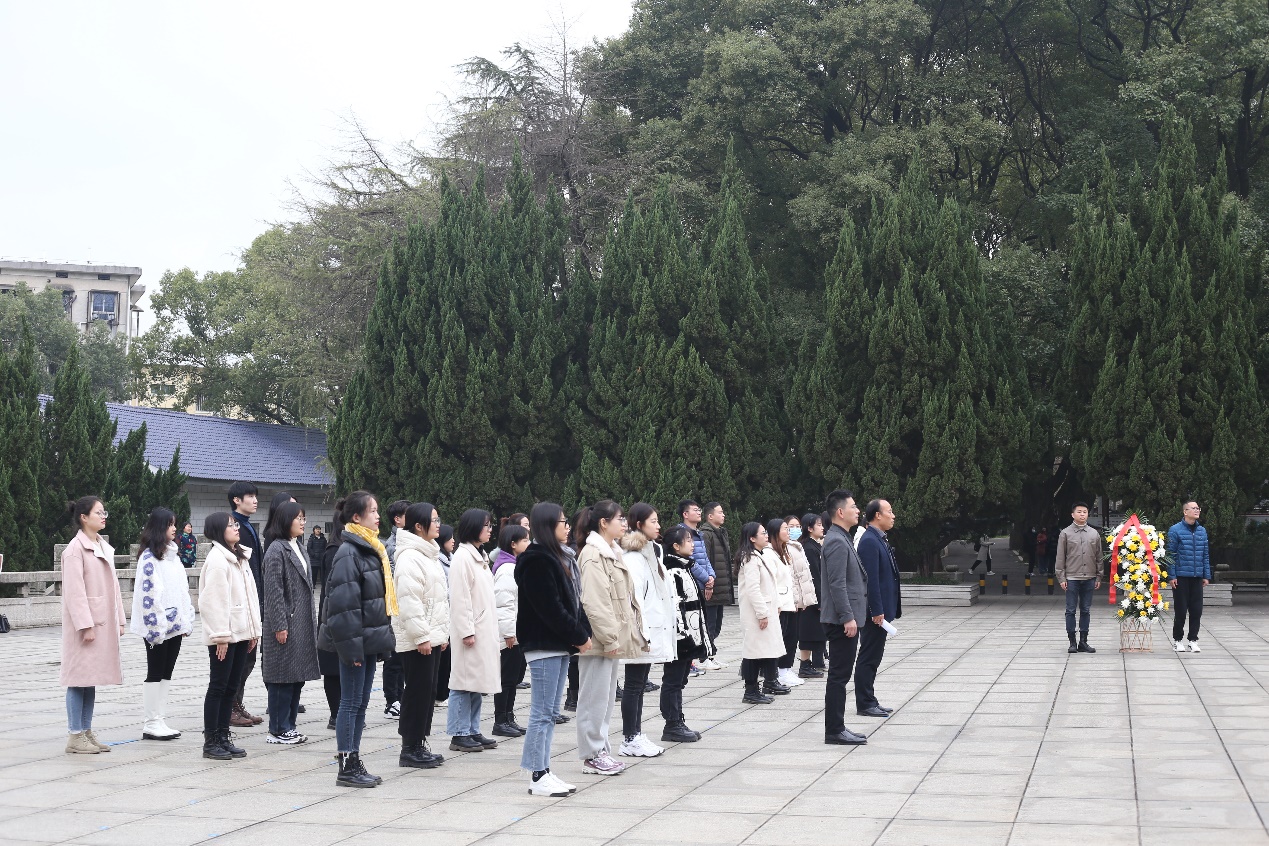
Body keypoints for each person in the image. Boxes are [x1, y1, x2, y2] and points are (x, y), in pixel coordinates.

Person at [318, 492, 398, 788]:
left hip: (367, 642)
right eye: (372, 511)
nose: (377, 516)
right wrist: (352, 650)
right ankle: (346, 764)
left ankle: (354, 759)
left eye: (377, 510)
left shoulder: (371, 549)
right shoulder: (349, 553)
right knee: (351, 703)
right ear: (356, 517)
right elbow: (343, 608)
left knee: (361, 703)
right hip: (355, 645)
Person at [516, 503, 593, 797]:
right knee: (542, 712)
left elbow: (573, 603)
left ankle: (543, 770)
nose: (568, 527)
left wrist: (583, 632)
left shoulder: (558, 557)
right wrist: (578, 636)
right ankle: (538, 775)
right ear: (548, 526)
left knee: (549, 712)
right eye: (562, 522)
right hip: (543, 644)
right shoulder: (537, 560)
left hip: (557, 644)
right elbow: (551, 608)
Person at [577, 500, 648, 776]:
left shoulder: (612, 552)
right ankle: (592, 754)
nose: (624, 523)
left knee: (605, 700)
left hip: (610, 639)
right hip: (599, 640)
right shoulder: (593, 555)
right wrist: (609, 638)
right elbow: (595, 603)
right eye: (619, 519)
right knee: (593, 700)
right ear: (603, 523)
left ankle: (600, 750)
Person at [61, 496, 126, 754]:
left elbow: (114, 588)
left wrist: (120, 619)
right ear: (83, 517)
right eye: (98, 512)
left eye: (104, 512)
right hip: (86, 626)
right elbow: (74, 593)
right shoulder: (74, 550)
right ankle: (74, 735)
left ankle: (86, 730)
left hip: (101, 622)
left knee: (91, 679)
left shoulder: (101, 546)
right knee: (78, 679)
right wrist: (85, 625)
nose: (103, 516)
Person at [198, 511, 262, 760]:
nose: (236, 528)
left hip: (241, 633)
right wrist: (221, 636)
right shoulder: (217, 559)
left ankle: (224, 737)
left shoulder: (240, 556)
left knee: (231, 687)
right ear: (218, 531)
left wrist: (253, 630)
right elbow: (212, 602)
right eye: (230, 525)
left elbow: (250, 597)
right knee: (218, 686)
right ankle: (211, 740)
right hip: (225, 635)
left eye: (235, 524)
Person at [392, 501, 449, 768]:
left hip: (431, 635)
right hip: (417, 639)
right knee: (416, 691)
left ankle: (420, 743)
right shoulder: (409, 557)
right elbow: (409, 601)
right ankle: (409, 748)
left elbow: (437, 600)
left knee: (428, 691)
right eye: (434, 520)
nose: (438, 524)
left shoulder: (428, 554)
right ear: (418, 526)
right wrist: (422, 637)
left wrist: (441, 634)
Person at [130, 507, 195, 741]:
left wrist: (186, 620)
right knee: (155, 671)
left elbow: (182, 590)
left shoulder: (174, 557)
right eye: (170, 524)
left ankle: (160, 718)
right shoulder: (149, 558)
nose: (174, 528)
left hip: (175, 625)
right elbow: (147, 596)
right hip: (157, 627)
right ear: (159, 527)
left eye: (174, 524)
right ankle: (151, 722)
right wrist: (155, 627)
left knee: (167, 672)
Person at [260, 500, 319, 745]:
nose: (303, 522)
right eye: (298, 518)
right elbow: (273, 591)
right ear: (285, 521)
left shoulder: (299, 547)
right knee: (281, 678)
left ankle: (289, 725)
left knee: (296, 677)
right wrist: (279, 625)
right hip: (286, 623)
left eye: (304, 518)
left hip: (301, 623)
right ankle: (277, 729)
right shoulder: (276, 550)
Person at [618, 503, 674, 758]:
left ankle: (636, 734)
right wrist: (642, 633)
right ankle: (630, 738)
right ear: (639, 525)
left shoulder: (651, 553)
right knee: (633, 685)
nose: (658, 525)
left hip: (651, 628)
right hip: (642, 631)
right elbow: (635, 599)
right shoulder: (633, 558)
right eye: (653, 521)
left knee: (639, 684)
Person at [447, 509, 501, 752]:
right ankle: (459, 733)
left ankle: (472, 729)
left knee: (476, 682)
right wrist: (466, 630)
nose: (490, 529)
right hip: (471, 630)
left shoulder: (479, 556)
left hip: (482, 628)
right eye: (486, 525)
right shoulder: (462, 557)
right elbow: (460, 598)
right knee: (463, 682)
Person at [820, 489, 868, 746]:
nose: (858, 511)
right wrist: (848, 617)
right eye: (853, 506)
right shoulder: (837, 541)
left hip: (844, 618)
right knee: (839, 676)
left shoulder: (841, 537)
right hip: (841, 621)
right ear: (840, 512)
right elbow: (837, 584)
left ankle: (837, 727)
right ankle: (834, 730)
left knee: (841, 675)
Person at [661, 526, 712, 742]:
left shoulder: (684, 566)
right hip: (680, 637)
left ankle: (678, 720)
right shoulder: (672, 570)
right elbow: (676, 606)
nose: (692, 544)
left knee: (680, 680)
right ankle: (672, 724)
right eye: (688, 540)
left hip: (689, 636)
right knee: (673, 681)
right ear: (675, 546)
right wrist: (684, 636)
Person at [856, 499, 901, 718]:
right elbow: (870, 580)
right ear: (877, 515)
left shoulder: (878, 538)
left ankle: (870, 699)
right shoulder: (869, 541)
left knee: (874, 656)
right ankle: (864, 703)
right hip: (874, 614)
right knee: (868, 656)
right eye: (889, 511)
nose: (893, 516)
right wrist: (876, 610)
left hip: (880, 610)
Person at [227, 481, 265, 727]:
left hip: (254, 598)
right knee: (240, 659)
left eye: (255, 496)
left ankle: (237, 704)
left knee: (248, 658)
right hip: (242, 602)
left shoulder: (247, 525)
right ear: (236, 500)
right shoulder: (234, 526)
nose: (255, 500)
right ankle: (231, 707)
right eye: (250, 496)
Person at [735, 522, 785, 704]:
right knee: (753, 652)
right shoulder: (750, 558)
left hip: (764, 610)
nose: (766, 536)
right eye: (762, 533)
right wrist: (762, 613)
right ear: (752, 538)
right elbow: (753, 589)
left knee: (762, 650)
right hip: (756, 613)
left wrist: (775, 605)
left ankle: (762, 685)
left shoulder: (758, 556)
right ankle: (750, 690)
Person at [492, 522, 531, 737]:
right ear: (513, 544)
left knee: (514, 678)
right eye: (525, 540)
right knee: (507, 679)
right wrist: (509, 632)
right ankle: (501, 720)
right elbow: (504, 604)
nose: (528, 543)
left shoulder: (515, 565)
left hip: (516, 632)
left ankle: (509, 717)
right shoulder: (507, 569)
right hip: (509, 634)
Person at [770, 518, 815, 689]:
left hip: (792, 600)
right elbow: (787, 578)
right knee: (784, 637)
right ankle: (778, 672)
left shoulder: (791, 548)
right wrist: (794, 599)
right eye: (787, 528)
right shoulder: (771, 552)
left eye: (796, 527)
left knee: (791, 637)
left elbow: (801, 576)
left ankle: (785, 669)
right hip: (784, 602)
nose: (790, 531)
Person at [1056, 501, 1102, 654]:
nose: (1082, 514)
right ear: (1072, 514)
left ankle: (1083, 641)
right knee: (1070, 610)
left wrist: (1099, 576)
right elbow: (1060, 557)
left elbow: (1099, 557)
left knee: (1086, 610)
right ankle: (1072, 642)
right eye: (1079, 512)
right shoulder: (1065, 533)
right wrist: (1061, 577)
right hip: (1072, 577)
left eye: (1085, 512)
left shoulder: (1094, 534)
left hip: (1089, 577)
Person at [380, 499, 411, 719]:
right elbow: (392, 580)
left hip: (405, 607)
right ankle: (392, 701)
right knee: (394, 658)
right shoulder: (393, 546)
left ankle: (400, 697)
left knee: (402, 657)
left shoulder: (408, 542)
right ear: (397, 519)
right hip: (395, 608)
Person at [1169, 501, 1211, 653]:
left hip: (1197, 577)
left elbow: (1205, 554)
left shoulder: (1202, 531)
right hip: (1181, 576)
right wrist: (1172, 575)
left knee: (1196, 610)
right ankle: (1177, 640)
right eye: (1193, 508)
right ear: (1185, 512)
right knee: (1180, 611)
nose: (1197, 510)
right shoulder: (1175, 530)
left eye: (1198, 508)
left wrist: (1206, 575)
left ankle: (1193, 640)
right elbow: (1171, 555)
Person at [561, 508, 590, 715]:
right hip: (577, 611)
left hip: (581, 610)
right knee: (575, 658)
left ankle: (575, 696)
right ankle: (573, 696)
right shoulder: (575, 551)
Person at [698, 502, 733, 670]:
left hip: (720, 588)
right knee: (709, 625)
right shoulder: (706, 534)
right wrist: (707, 583)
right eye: (720, 512)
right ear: (710, 516)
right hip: (710, 588)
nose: (723, 515)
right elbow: (704, 561)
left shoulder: (721, 532)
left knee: (716, 626)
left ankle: (711, 655)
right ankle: (704, 658)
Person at [317, 517, 342, 730]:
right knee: (333, 669)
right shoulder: (335, 551)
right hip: (333, 618)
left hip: (344, 618)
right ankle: (336, 714)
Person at [796, 513, 827, 677]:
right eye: (819, 525)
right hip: (811, 599)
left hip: (816, 597)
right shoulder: (809, 548)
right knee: (808, 633)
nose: (822, 528)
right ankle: (804, 665)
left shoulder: (815, 545)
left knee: (815, 632)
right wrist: (820, 600)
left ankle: (811, 664)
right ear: (809, 528)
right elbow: (815, 575)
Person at [434, 524, 455, 705]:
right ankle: (440, 694)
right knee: (443, 657)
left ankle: (444, 691)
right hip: (443, 613)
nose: (453, 541)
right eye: (450, 538)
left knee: (448, 657)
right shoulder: (438, 560)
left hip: (452, 613)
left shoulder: (451, 558)